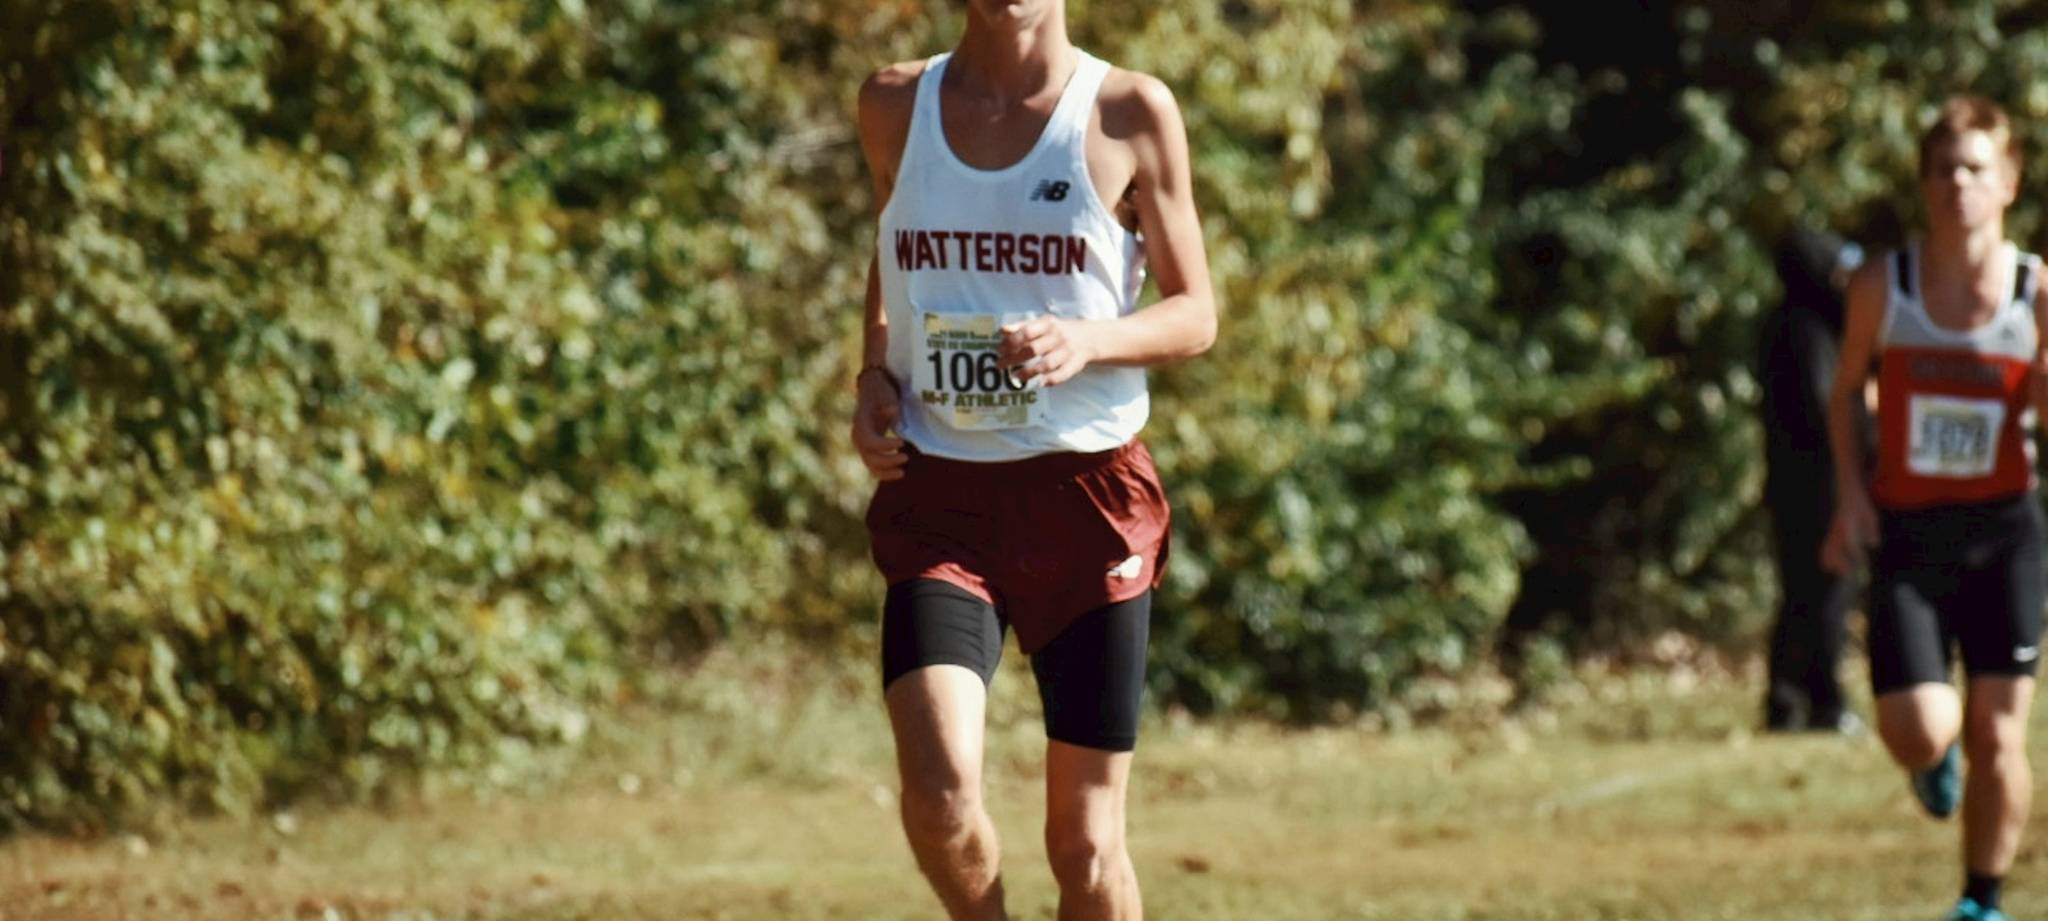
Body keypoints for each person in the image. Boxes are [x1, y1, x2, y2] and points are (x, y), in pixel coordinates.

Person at [849, 1, 1216, 917]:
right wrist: (873, 373)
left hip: (1086, 498)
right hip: (939, 498)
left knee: (1085, 847)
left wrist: (1088, 341)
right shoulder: (893, 104)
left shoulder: (1128, 111)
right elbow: (892, 254)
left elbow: (1197, 313)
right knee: (940, 799)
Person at [1823, 94, 2047, 921]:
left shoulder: (2035, 292)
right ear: (1924, 185)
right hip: (1912, 532)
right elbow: (1846, 392)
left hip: (2006, 530)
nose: (1960, 184)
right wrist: (1850, 494)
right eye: (1945, 170)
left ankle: (1981, 902)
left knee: (1999, 732)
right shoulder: (1885, 287)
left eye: (1976, 169)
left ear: (2009, 182)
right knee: (1920, 728)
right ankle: (1930, 758)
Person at [1758, 228, 1869, 733]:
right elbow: (1824, 410)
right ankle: (1824, 703)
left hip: (1794, 480)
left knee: (1802, 589)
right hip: (1817, 483)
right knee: (1827, 588)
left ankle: (1786, 700)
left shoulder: (1791, 324)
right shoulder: (1808, 330)